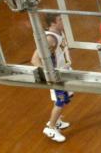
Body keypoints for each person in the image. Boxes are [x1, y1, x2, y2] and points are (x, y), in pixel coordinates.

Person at [30, 14, 73, 143]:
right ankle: (51, 127)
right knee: (60, 101)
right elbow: (34, 59)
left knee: (68, 97)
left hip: (65, 71)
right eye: (60, 19)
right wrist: (49, 75)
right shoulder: (50, 38)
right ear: (53, 23)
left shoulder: (60, 32)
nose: (63, 21)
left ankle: (57, 121)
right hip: (56, 76)